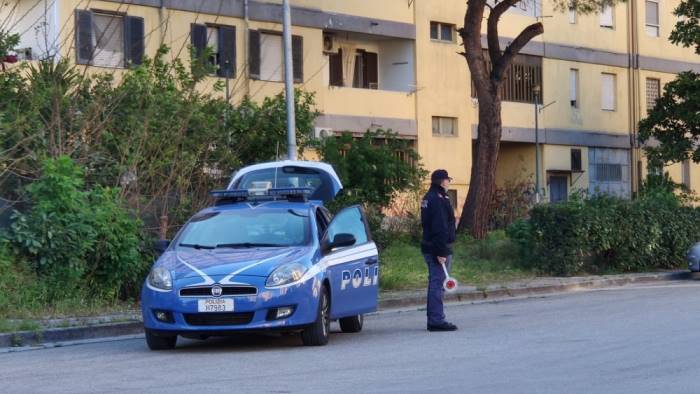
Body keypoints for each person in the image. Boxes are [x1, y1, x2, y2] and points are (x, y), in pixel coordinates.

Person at [420, 169, 458, 332]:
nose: (449, 183)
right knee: (438, 283)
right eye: (447, 180)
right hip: (437, 247)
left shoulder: (429, 197)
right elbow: (440, 227)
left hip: (432, 245)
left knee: (436, 283)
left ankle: (435, 318)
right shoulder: (438, 199)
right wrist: (441, 251)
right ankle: (436, 320)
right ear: (442, 181)